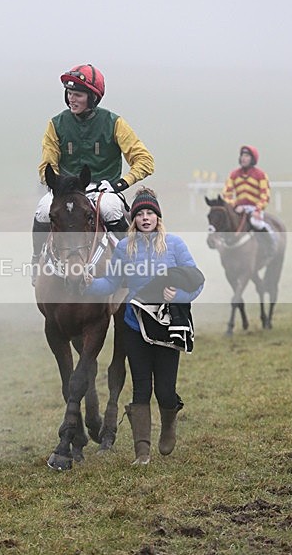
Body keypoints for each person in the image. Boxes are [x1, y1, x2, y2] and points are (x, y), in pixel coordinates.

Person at [83, 188, 204, 465]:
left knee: (164, 389)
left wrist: (180, 297)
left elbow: (197, 281)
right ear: (133, 219)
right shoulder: (125, 248)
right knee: (140, 388)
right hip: (134, 325)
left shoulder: (174, 245)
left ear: (158, 217)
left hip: (166, 327)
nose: (145, 218)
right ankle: (142, 452)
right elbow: (111, 284)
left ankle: (169, 424)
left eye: (150, 213)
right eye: (140, 214)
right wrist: (90, 284)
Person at [32, 64, 155, 277]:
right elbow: (46, 166)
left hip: (102, 190)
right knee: (43, 210)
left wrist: (120, 184)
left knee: (112, 209)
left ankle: (130, 266)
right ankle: (36, 260)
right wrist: (57, 184)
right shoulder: (56, 124)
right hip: (65, 190)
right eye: (69, 93)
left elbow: (144, 160)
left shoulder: (115, 123)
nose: (72, 99)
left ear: (93, 97)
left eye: (78, 94)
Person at [222, 145, 276, 260]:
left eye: (246, 156)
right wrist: (235, 205)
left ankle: (270, 245)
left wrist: (258, 210)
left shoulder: (260, 175)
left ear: (252, 159)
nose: (243, 158)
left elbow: (265, 195)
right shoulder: (234, 174)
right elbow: (226, 194)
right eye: (242, 155)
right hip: (239, 208)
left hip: (254, 209)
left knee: (256, 223)